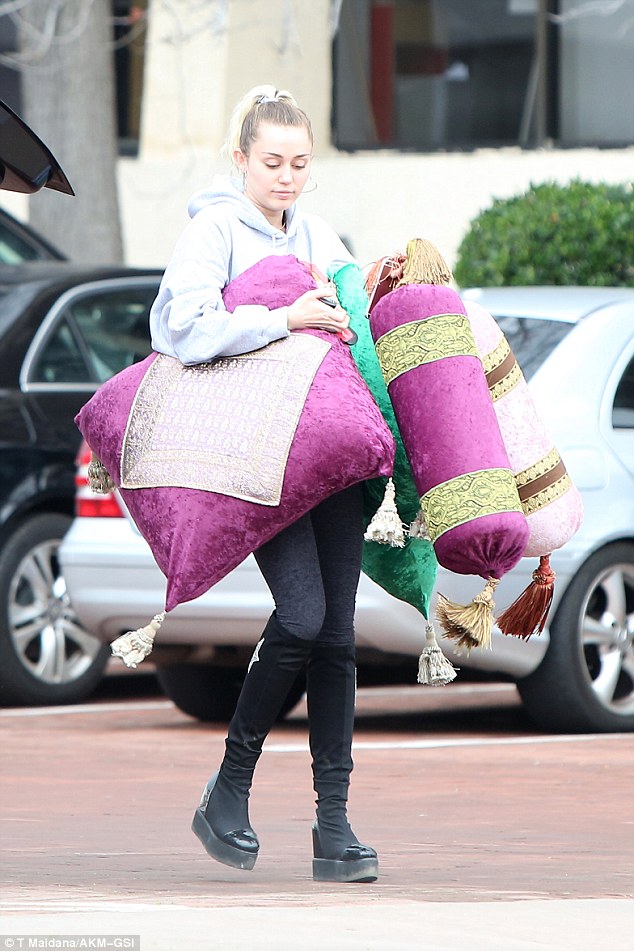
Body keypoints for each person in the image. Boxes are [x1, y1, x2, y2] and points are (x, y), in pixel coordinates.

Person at [149, 84, 379, 884]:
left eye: (300, 164)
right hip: (263, 457)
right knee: (305, 615)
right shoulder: (213, 230)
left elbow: (357, 310)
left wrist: (365, 302)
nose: (286, 177)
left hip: (335, 457)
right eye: (272, 162)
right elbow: (182, 328)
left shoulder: (319, 231)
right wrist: (286, 319)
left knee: (340, 639)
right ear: (240, 160)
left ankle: (335, 825)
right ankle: (229, 786)